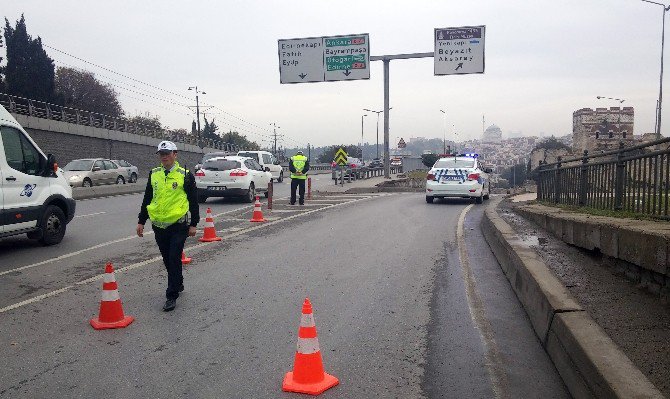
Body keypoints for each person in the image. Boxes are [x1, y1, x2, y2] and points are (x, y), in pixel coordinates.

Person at [136, 140, 200, 311]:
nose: (164, 157)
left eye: (167, 153)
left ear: (175, 154)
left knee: (173, 257)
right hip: (159, 226)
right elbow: (148, 198)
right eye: (161, 154)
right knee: (167, 259)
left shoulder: (185, 175)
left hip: (179, 225)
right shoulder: (154, 174)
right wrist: (141, 221)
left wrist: (194, 224)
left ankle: (171, 295)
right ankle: (177, 282)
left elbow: (194, 201)